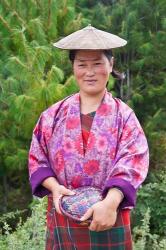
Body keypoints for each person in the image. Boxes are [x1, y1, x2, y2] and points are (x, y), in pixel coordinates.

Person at [28, 25, 149, 250]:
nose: (89, 72)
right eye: (82, 64)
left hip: (109, 216)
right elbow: (37, 159)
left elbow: (133, 162)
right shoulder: (53, 115)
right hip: (63, 216)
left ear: (111, 65)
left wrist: (110, 204)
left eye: (97, 64)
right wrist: (54, 187)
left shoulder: (125, 117)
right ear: (73, 68)